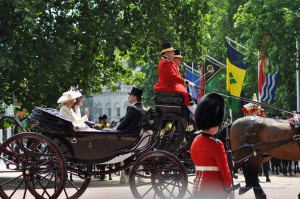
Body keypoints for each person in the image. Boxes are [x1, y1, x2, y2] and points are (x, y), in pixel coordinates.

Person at [190, 92, 232, 198]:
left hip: (198, 188)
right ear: (214, 125)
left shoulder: (195, 141)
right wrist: (229, 188)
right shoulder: (217, 145)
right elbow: (225, 171)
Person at [154, 42, 197, 114]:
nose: (174, 52)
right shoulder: (165, 63)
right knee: (185, 93)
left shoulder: (168, 62)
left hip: (170, 85)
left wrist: (186, 83)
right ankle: (196, 113)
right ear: (166, 53)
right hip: (167, 86)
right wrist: (187, 82)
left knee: (186, 90)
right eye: (172, 51)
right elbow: (174, 77)